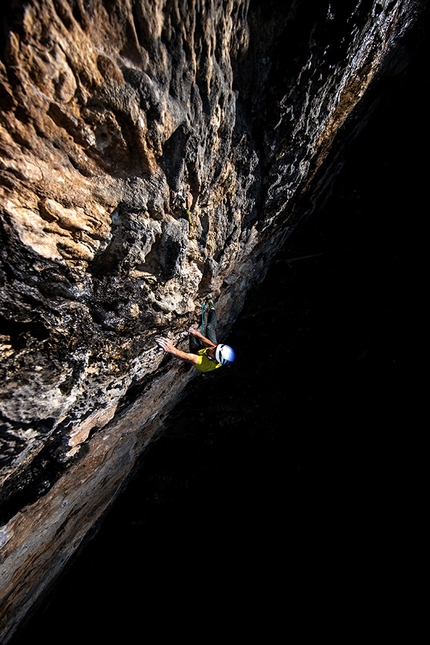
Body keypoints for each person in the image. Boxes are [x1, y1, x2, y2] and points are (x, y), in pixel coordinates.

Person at [155, 302, 235, 372]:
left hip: (197, 352)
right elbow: (211, 345)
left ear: (214, 360)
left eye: (214, 352)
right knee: (209, 327)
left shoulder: (203, 363)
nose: (212, 348)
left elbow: (188, 357)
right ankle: (212, 309)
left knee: (191, 335)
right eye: (216, 348)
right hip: (206, 352)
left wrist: (172, 349)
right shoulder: (216, 351)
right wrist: (198, 334)